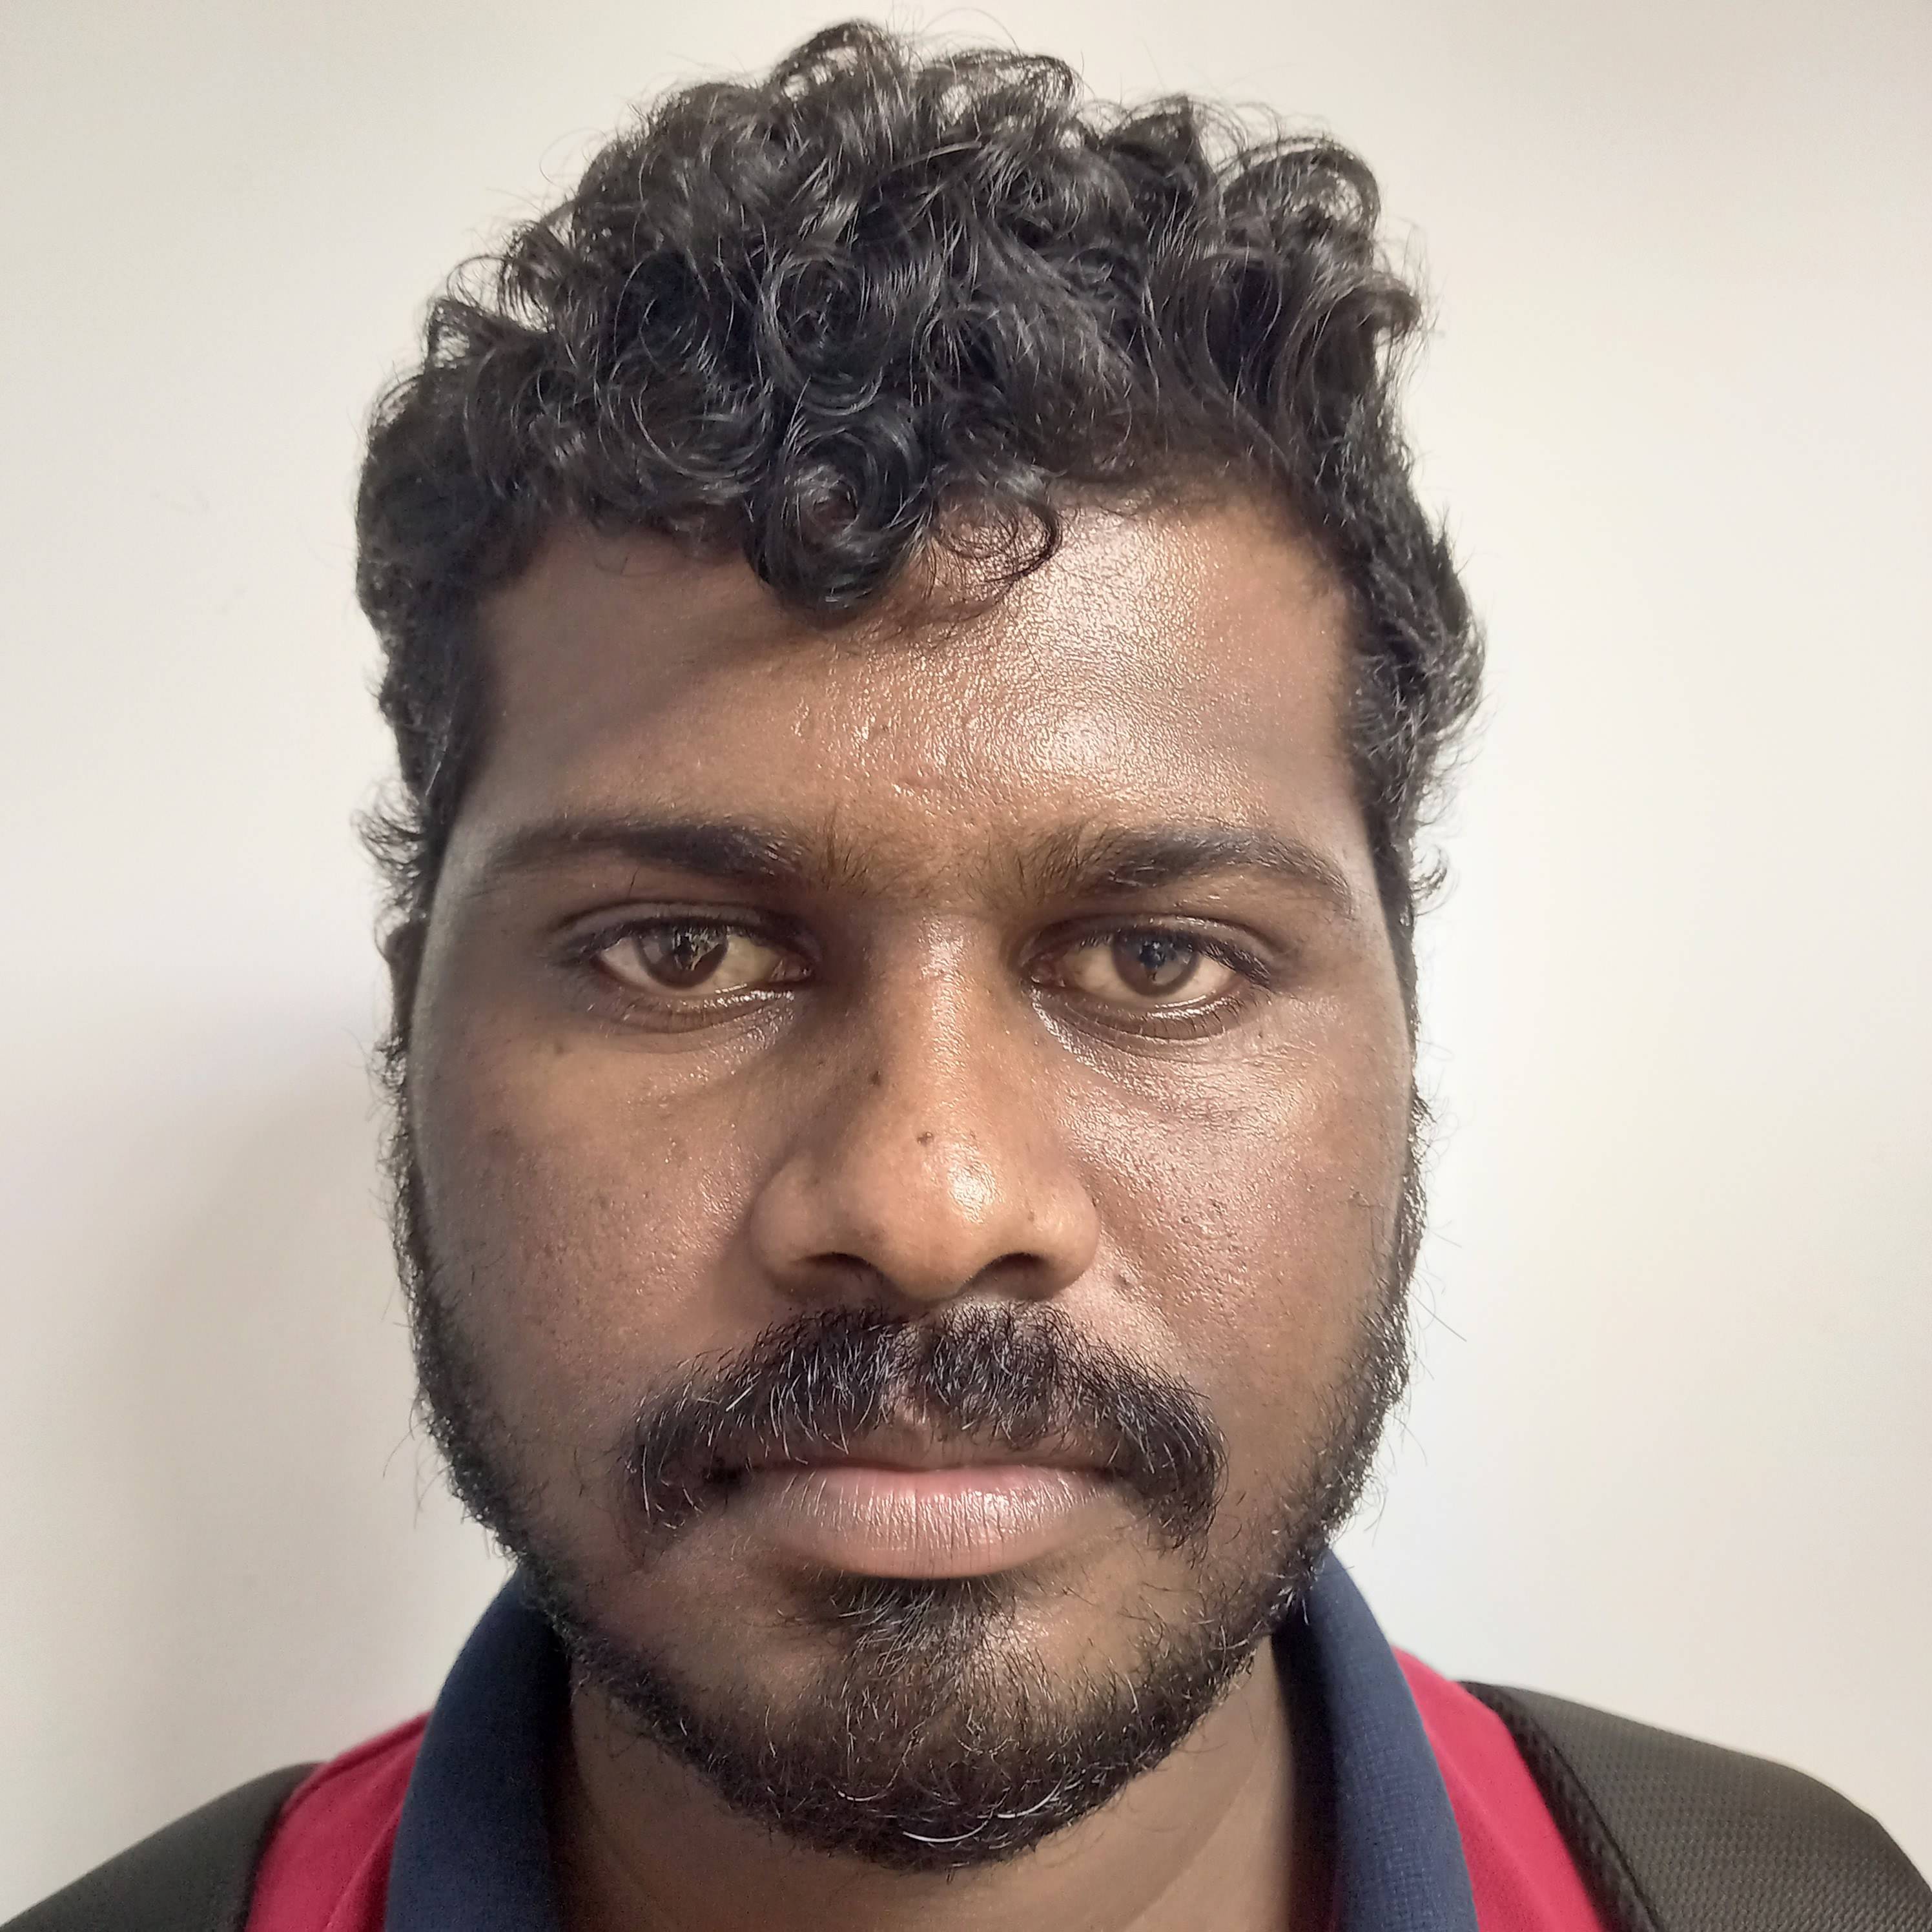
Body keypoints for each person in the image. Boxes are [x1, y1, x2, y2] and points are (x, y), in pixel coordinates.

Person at [10, 21, 1925, 1932]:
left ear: (1401, 1027)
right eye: (681, 953)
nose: (931, 1209)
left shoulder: (1801, 1902)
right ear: (416, 1034)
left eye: (1160, 960)